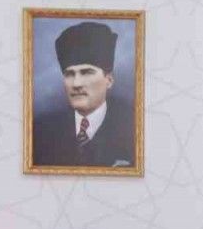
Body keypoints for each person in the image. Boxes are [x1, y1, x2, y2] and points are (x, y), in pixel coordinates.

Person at [31, 21, 136, 168]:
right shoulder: (41, 132)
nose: (76, 83)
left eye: (86, 72)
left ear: (109, 80)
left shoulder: (133, 125)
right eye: (69, 74)